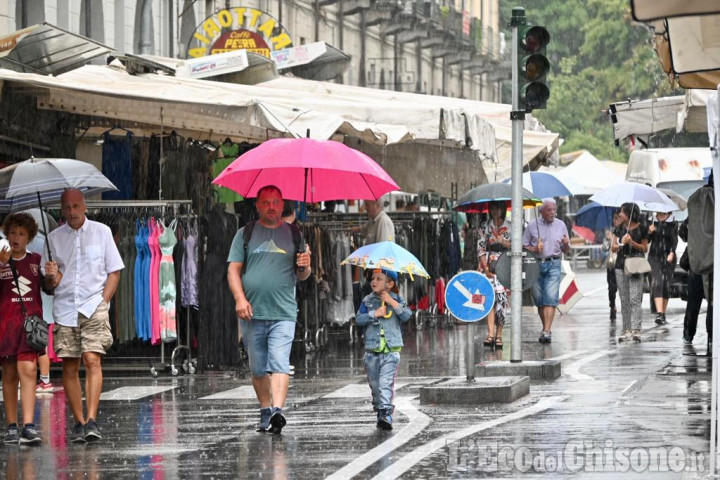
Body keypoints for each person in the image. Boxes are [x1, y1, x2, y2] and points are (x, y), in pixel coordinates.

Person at [227, 185, 311, 434]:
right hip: (252, 312)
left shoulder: (295, 234)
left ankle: (277, 411)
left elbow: (303, 275)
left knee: (280, 362)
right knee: (258, 368)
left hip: (284, 312)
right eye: (266, 202)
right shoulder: (246, 233)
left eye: (276, 202)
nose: (272, 207)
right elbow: (233, 270)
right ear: (257, 205)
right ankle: (265, 410)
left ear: (283, 203)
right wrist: (239, 299)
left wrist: (306, 265)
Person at [42, 188, 124, 443]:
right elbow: (47, 287)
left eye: (76, 206)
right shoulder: (53, 240)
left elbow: (114, 271)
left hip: (93, 305)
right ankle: (78, 422)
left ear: (85, 206)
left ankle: (92, 420)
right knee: (69, 364)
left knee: (92, 359)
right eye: (67, 207)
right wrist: (50, 276)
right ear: (61, 209)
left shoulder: (102, 232)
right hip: (65, 307)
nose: (72, 212)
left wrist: (104, 302)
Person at [0, 213, 45, 444]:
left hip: (30, 326)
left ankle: (28, 425)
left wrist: (54, 275)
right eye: (13, 232)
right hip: (6, 325)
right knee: (8, 374)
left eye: (21, 233)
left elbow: (49, 288)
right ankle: (11, 425)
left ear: (29, 237)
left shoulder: (37, 260)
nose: (16, 237)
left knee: (28, 370)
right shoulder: (0, 259)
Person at [354, 268, 412, 430]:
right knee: (375, 384)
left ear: (390, 284)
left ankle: (385, 413)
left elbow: (407, 315)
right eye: (373, 278)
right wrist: (374, 314)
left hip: (391, 351)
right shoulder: (367, 300)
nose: (374, 281)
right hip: (372, 351)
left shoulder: (397, 299)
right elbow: (359, 319)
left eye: (379, 279)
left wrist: (392, 302)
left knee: (385, 383)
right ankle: (379, 406)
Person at [522, 198, 571, 343]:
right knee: (539, 300)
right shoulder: (532, 225)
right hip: (535, 265)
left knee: (550, 297)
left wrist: (566, 244)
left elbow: (566, 250)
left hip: (553, 263)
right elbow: (523, 246)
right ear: (541, 211)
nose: (552, 212)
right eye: (549, 210)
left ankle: (547, 330)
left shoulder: (561, 225)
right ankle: (545, 328)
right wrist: (534, 249)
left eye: (554, 209)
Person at [612, 202, 649, 343]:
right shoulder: (619, 229)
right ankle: (626, 329)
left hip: (636, 265)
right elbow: (613, 248)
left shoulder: (642, 228)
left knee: (634, 298)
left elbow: (644, 248)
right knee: (624, 299)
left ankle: (636, 330)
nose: (620, 214)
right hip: (621, 266)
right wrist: (622, 242)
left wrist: (632, 242)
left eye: (622, 212)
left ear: (629, 214)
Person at [477, 201, 511, 348]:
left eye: (498, 207)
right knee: (489, 300)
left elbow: (518, 246)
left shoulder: (511, 226)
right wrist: (485, 267)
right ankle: (490, 334)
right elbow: (480, 249)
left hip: (505, 265)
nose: (495, 211)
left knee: (501, 301)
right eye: (493, 208)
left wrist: (503, 242)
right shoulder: (485, 226)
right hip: (489, 265)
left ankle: (499, 335)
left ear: (503, 209)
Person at [647, 211, 678, 326]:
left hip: (669, 257)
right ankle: (659, 314)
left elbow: (674, 240)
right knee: (658, 282)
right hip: (654, 256)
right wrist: (649, 232)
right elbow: (647, 240)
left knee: (666, 285)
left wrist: (672, 252)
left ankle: (663, 313)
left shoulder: (673, 222)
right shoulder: (652, 220)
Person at [602, 211, 622, 321]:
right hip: (612, 264)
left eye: (617, 218)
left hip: (622, 264)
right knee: (611, 288)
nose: (615, 220)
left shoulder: (625, 231)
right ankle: (612, 306)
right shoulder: (610, 232)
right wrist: (607, 239)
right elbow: (604, 249)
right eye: (613, 218)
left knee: (623, 288)